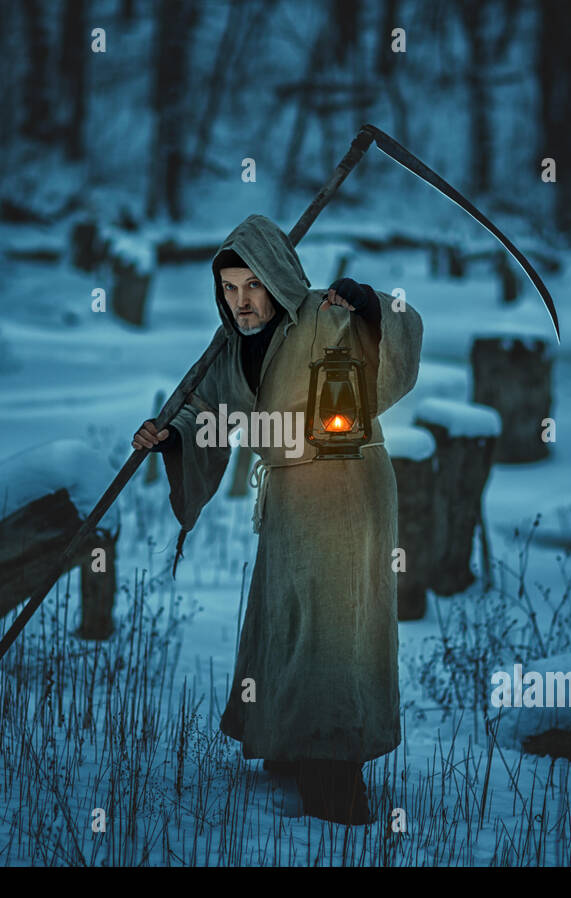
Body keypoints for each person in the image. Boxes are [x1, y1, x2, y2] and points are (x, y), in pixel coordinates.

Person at [132, 213, 423, 825]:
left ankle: (336, 778)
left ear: (277, 280)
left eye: (252, 286)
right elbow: (203, 408)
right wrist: (167, 435)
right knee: (286, 619)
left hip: (346, 486)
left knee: (332, 630)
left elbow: (402, 336)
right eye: (229, 289)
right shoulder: (231, 346)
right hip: (290, 496)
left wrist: (371, 305)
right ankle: (293, 744)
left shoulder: (326, 315)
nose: (240, 302)